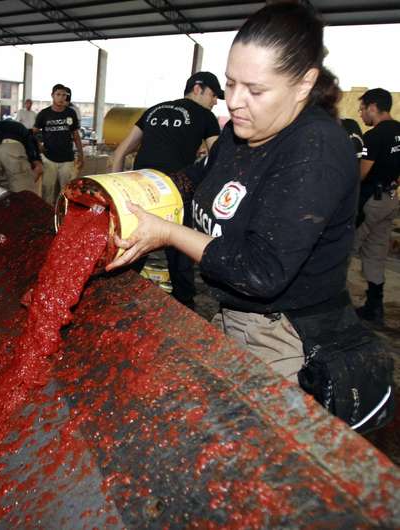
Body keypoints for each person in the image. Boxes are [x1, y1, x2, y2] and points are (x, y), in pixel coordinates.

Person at [106, 3, 393, 433]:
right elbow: (193, 180)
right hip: (233, 316)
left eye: (255, 90)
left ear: (303, 84)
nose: (235, 102)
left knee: (258, 452)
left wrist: (166, 232)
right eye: (230, 84)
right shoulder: (240, 131)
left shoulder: (314, 150)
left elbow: (260, 271)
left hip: (285, 336)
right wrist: (127, 194)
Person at [111, 72, 222, 309]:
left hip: (139, 187)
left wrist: (117, 193)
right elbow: (219, 158)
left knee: (133, 242)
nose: (215, 102)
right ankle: (184, 304)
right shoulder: (205, 116)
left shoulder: (154, 109)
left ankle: (115, 296)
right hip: (174, 190)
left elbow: (121, 152)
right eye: (214, 95)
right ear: (198, 89)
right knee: (179, 248)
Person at [352, 88, 400, 325]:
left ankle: (334, 308)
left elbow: (361, 174)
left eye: (362, 109)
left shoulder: (373, 137)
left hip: (370, 202)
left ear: (373, 107)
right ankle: (375, 307)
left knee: (343, 252)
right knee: (376, 254)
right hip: (390, 199)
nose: (361, 114)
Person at [33, 84, 84, 205]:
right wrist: (38, 145)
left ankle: (64, 218)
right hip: (49, 159)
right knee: (47, 192)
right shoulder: (44, 114)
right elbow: (33, 132)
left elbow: (75, 135)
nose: (61, 98)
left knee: (67, 192)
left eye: (64, 95)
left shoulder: (71, 113)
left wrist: (81, 154)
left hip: (67, 159)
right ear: (52, 96)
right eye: (58, 94)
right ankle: (47, 219)